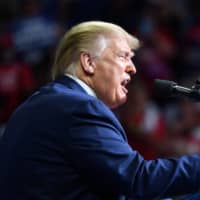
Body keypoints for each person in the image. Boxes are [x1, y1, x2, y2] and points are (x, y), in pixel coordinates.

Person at [0, 21, 200, 200]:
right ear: (89, 63)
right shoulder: (79, 107)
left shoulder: (42, 103)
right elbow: (137, 180)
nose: (133, 68)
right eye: (124, 57)